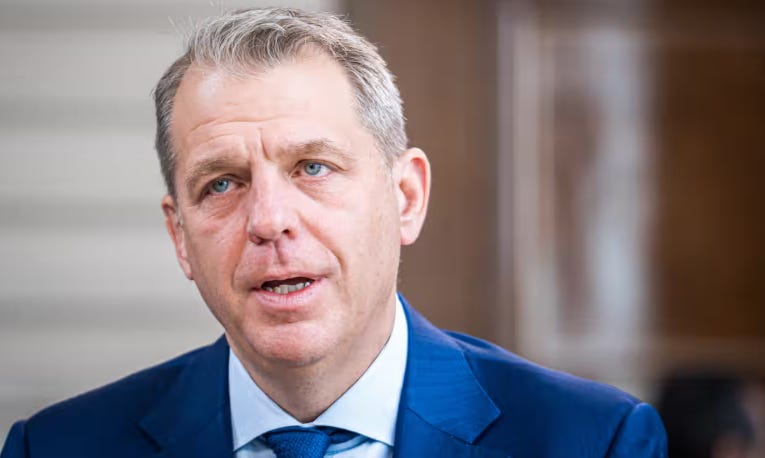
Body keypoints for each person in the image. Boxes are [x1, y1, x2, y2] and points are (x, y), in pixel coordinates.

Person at [0, 7, 666, 458]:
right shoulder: (56, 448)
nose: (269, 220)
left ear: (405, 198)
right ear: (180, 238)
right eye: (222, 183)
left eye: (312, 167)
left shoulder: (592, 440)